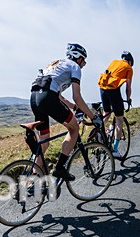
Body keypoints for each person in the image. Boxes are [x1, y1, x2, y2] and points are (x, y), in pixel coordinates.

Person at [29, 43, 99, 180]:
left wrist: (75, 108)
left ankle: (32, 179)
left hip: (34, 97)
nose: (83, 64)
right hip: (48, 98)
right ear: (78, 58)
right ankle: (60, 168)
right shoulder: (75, 67)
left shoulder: (56, 64)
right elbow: (77, 97)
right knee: (74, 129)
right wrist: (93, 116)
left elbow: (59, 96)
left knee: (44, 141)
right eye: (83, 60)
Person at [98, 51, 134, 158]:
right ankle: (115, 149)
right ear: (130, 61)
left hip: (102, 87)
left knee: (107, 112)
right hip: (113, 90)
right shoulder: (129, 68)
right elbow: (128, 87)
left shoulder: (114, 62)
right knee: (119, 119)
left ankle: (100, 132)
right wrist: (128, 99)